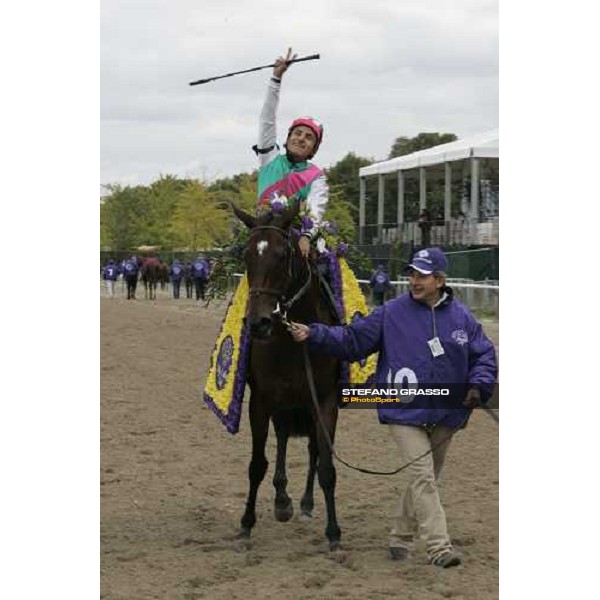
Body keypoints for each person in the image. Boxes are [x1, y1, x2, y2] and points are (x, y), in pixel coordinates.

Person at [290, 247, 497, 568]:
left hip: (448, 412)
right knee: (423, 477)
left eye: (422, 275)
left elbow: (484, 354)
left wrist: (478, 385)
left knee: (424, 477)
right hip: (403, 411)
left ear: (440, 280)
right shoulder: (391, 312)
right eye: (412, 274)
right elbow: (352, 340)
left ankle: (400, 536)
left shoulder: (462, 318)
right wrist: (314, 332)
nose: (414, 280)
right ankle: (439, 548)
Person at [254, 47, 328, 257]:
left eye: (309, 137)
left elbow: (316, 210)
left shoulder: (317, 176)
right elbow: (266, 119)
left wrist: (306, 235)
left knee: (331, 267)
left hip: (297, 239)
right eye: (297, 133)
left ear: (314, 149)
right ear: (287, 138)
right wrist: (276, 78)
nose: (301, 139)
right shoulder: (269, 157)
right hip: (263, 234)